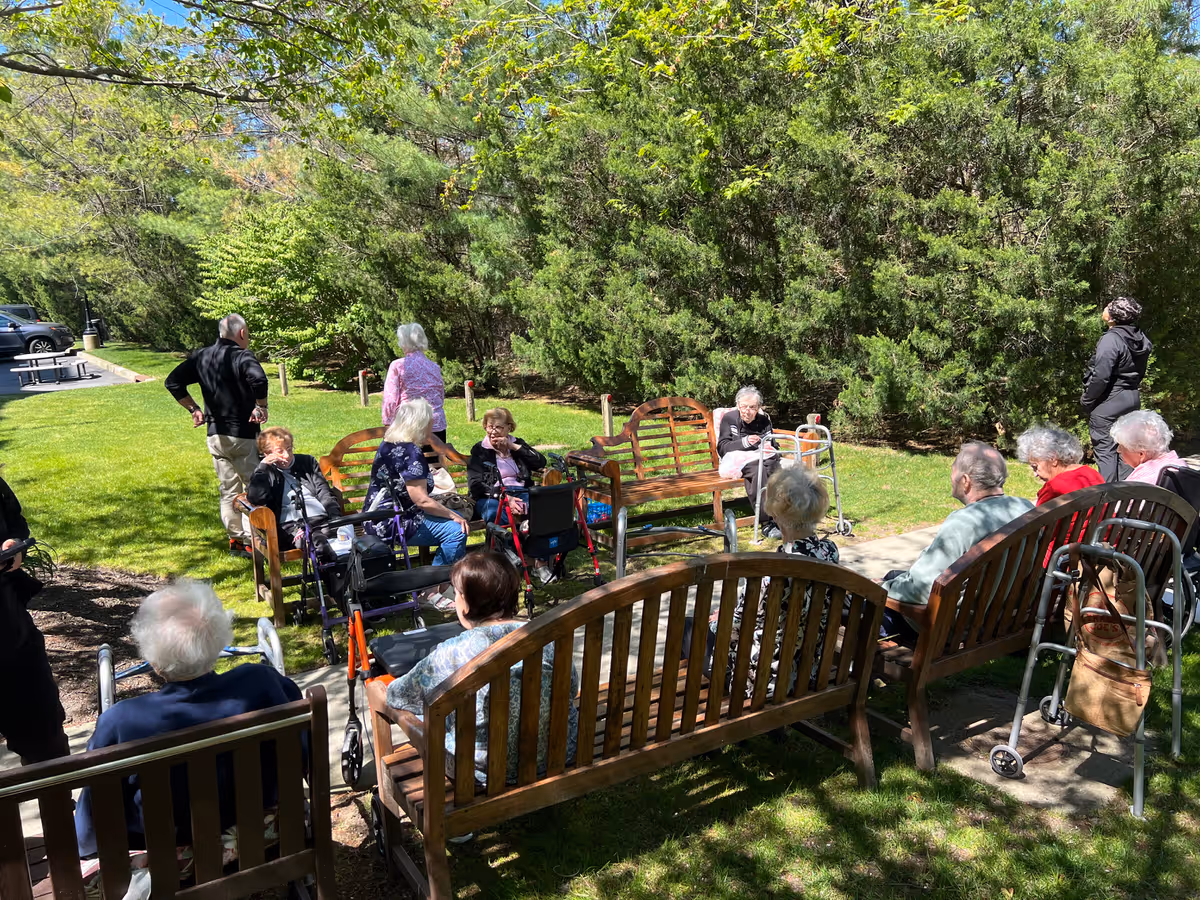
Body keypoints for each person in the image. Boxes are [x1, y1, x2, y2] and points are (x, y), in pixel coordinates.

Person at [74, 581, 302, 856]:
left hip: (166, 864)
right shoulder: (263, 682)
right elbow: (303, 752)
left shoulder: (121, 722)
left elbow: (89, 828)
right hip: (264, 838)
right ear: (218, 641)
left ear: (155, 662)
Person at [387, 551, 578, 785]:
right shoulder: (548, 636)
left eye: (456, 593)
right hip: (555, 753)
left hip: (480, 770)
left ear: (466, 601)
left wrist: (380, 688)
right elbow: (571, 687)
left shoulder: (451, 654)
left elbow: (398, 696)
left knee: (423, 708)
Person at [709, 467, 840, 695]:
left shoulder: (770, 573)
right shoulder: (830, 553)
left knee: (691, 629)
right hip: (807, 673)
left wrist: (717, 621)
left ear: (776, 514)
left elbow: (735, 629)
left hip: (761, 683)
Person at [881, 442, 1033, 633]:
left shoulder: (964, 522)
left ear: (965, 481)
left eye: (953, 472)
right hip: (1000, 615)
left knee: (864, 598)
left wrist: (881, 588)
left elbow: (921, 590)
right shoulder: (1025, 508)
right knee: (893, 576)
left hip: (956, 626)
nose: (951, 479)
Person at [165, 313, 269, 559]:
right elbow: (258, 379)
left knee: (228, 489)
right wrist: (261, 406)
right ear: (241, 333)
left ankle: (236, 541)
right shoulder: (242, 356)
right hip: (243, 435)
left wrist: (194, 409)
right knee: (253, 488)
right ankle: (254, 542)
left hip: (215, 436)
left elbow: (173, 382)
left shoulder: (202, 356)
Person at [0, 475, 70, 765]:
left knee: (45, 740)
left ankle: (55, 794)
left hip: (11, 632)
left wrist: (15, 545)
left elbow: (15, 522)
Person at [363, 398, 468, 566]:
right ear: (420, 425)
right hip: (394, 521)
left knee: (459, 518)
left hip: (377, 516)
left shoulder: (388, 444)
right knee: (457, 531)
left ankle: (439, 574)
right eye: (430, 423)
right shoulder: (410, 452)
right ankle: (436, 581)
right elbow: (422, 500)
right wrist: (451, 514)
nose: (432, 428)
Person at [466, 408, 552, 582]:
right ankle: (510, 560)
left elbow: (540, 462)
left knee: (542, 510)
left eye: (498, 427)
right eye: (489, 426)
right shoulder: (479, 450)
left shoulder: (517, 444)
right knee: (495, 514)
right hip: (491, 496)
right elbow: (475, 485)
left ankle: (540, 563)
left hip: (522, 492)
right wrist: (505, 498)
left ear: (509, 428)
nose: (493, 431)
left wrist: (513, 447)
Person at [1081, 297, 1152, 482]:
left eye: (1108, 306)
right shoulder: (1140, 337)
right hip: (1132, 398)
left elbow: (1101, 376)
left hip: (1109, 402)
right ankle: (1127, 496)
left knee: (1106, 452)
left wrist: (1087, 400)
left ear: (1112, 317)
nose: (1104, 308)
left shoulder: (1111, 339)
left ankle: (1107, 498)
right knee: (1127, 453)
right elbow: (1140, 372)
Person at [246, 426, 341, 564]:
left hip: (320, 520)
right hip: (289, 527)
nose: (287, 455)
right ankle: (330, 571)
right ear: (267, 454)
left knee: (327, 536)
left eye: (289, 449)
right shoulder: (265, 472)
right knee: (315, 539)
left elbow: (324, 492)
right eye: (280, 451)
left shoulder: (307, 462)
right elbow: (256, 498)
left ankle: (331, 570)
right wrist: (262, 469)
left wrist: (336, 518)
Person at [717, 386, 782, 538]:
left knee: (773, 468)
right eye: (744, 406)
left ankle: (784, 516)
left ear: (758, 407)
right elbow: (722, 447)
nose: (747, 411)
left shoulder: (764, 421)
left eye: (752, 407)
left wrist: (768, 446)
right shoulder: (729, 419)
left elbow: (772, 443)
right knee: (759, 470)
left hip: (763, 457)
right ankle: (766, 522)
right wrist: (744, 442)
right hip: (736, 460)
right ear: (738, 405)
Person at [381, 323, 447, 443]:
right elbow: (440, 396)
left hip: (410, 426)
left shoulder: (398, 366)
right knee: (434, 456)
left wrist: (388, 424)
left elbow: (390, 399)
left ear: (404, 343)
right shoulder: (434, 367)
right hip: (437, 426)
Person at [1015, 425, 1104, 505]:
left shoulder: (1053, 489)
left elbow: (1037, 517)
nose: (1035, 474)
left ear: (1052, 458)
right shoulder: (1092, 473)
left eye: (1035, 467)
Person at [1111, 410, 1182, 485]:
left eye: (1122, 447)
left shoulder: (1138, 482)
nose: (1118, 450)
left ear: (1141, 454)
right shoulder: (1180, 466)